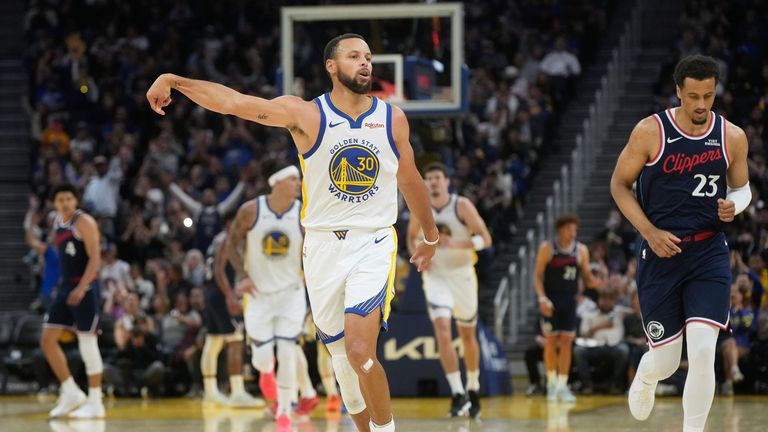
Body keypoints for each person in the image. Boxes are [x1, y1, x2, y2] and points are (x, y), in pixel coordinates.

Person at [147, 33, 439, 432]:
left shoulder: (392, 119)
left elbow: (410, 179)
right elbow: (235, 103)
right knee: (341, 358)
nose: (366, 63)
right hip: (319, 245)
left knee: (360, 351)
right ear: (331, 67)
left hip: (372, 240)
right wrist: (175, 80)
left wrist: (430, 234)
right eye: (354, 56)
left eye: (368, 56)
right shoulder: (306, 114)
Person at [610, 55, 750, 431]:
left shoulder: (732, 136)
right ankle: (647, 371)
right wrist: (649, 232)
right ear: (678, 93)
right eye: (693, 96)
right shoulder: (649, 132)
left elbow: (743, 188)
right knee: (669, 361)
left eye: (708, 95)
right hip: (661, 253)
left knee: (704, 352)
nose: (701, 104)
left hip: (708, 252)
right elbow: (619, 186)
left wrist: (733, 206)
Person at [406, 162, 491, 418]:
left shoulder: (461, 205)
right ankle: (457, 392)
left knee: (467, 336)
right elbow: (411, 237)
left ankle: (473, 386)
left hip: (463, 275)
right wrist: (418, 256)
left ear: (446, 182)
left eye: (436, 178)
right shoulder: (420, 207)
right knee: (442, 332)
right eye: (429, 178)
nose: (432, 182)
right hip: (437, 277)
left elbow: (485, 239)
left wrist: (458, 243)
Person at [226, 163, 306, 429]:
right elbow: (231, 243)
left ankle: (284, 411)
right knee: (262, 361)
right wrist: (241, 276)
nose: (299, 184)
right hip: (259, 294)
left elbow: (316, 245)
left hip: (291, 293)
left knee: (287, 350)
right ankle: (266, 371)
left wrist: (309, 269)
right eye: (294, 179)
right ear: (278, 182)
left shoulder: (303, 212)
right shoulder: (251, 210)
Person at [40, 184, 106, 418]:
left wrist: (82, 287)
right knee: (47, 339)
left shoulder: (85, 222)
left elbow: (95, 259)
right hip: (66, 287)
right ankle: (71, 392)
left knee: (87, 344)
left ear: (75, 200)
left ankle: (96, 402)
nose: (65, 203)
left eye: (69, 198)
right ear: (54, 203)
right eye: (60, 199)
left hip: (85, 286)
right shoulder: (56, 222)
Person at [533, 214, 601, 403]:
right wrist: (541, 298)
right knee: (550, 342)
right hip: (551, 301)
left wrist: (597, 282)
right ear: (560, 229)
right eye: (569, 229)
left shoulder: (581, 250)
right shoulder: (547, 248)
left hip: (570, 302)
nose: (573, 233)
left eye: (575, 229)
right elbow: (537, 276)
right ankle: (551, 384)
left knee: (566, 343)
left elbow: (586, 277)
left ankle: (562, 385)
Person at [200, 215, 261, 408]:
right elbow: (219, 269)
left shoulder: (216, 239)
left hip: (211, 291)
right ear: (230, 223)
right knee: (235, 340)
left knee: (213, 341)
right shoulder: (227, 239)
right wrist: (229, 295)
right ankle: (237, 392)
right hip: (221, 292)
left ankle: (210, 392)